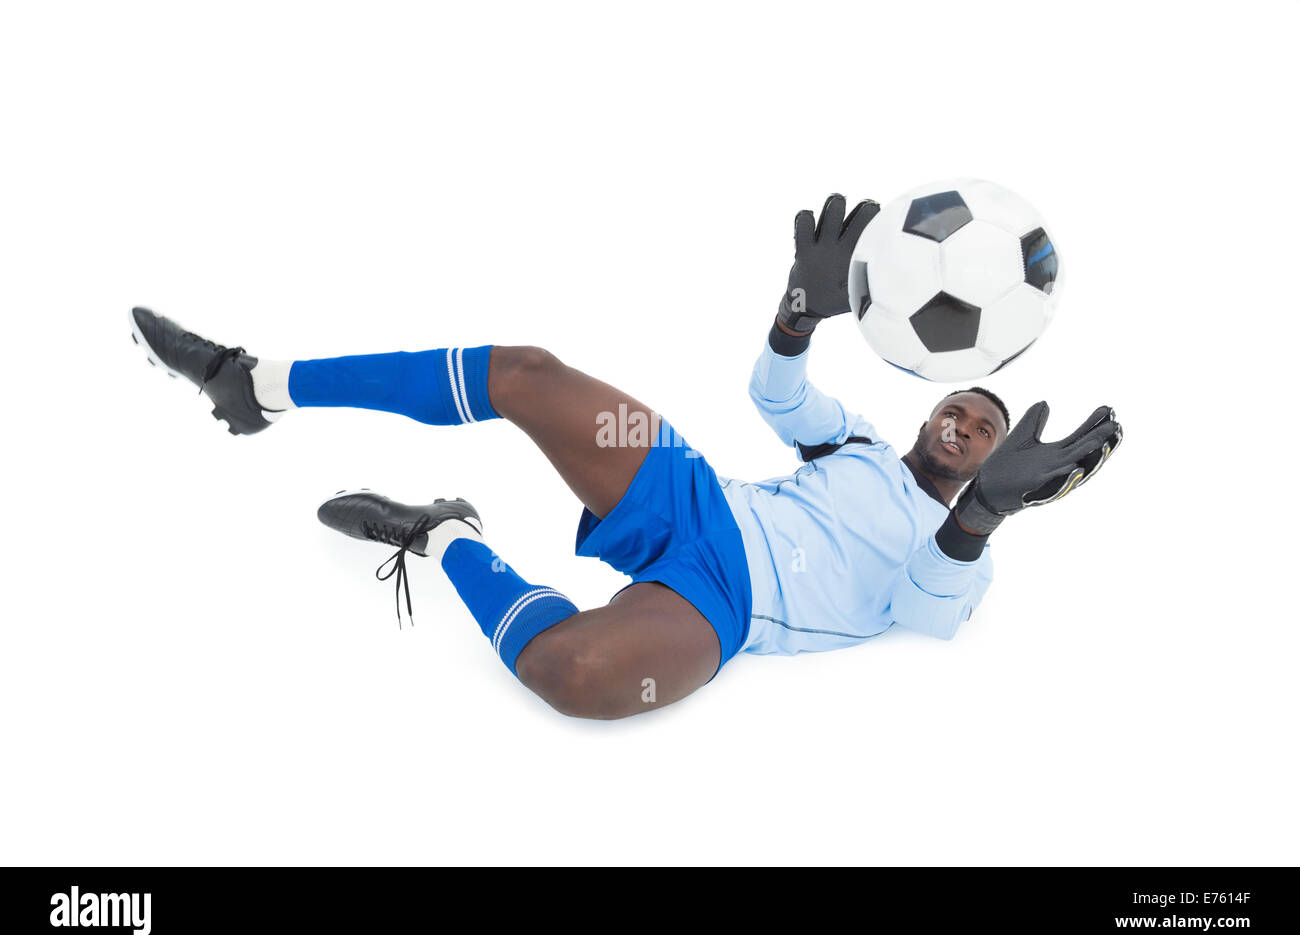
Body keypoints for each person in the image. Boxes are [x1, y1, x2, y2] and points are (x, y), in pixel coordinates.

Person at [128, 195, 1121, 720]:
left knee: (578, 673)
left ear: (994, 461)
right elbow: (775, 396)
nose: (961, 425)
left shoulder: (958, 559)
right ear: (926, 404)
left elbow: (921, 610)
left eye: (982, 429)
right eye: (955, 407)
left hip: (725, 603)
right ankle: (250, 380)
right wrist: (793, 317)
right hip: (691, 495)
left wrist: (983, 512)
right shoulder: (856, 438)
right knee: (523, 370)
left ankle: (444, 535)